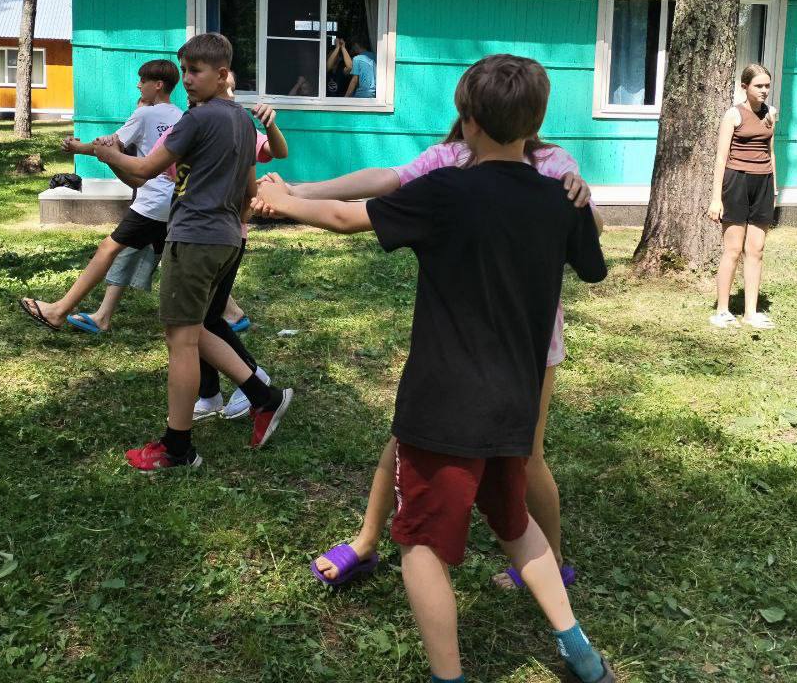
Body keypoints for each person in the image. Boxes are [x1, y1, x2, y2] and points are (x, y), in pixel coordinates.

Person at [256, 54, 613, 683]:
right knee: (515, 524)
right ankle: (581, 653)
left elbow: (347, 218)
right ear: (536, 122)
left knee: (421, 544)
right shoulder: (559, 195)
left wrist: (282, 200)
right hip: (516, 399)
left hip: (443, 402)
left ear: (468, 120)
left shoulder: (447, 188)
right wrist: (580, 204)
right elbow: (593, 266)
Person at [92, 33, 295, 470]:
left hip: (194, 238)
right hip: (226, 238)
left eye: (195, 71)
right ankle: (263, 396)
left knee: (180, 339)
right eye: (183, 70)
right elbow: (249, 188)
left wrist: (103, 152)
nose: (186, 79)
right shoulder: (241, 120)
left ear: (221, 75)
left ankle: (177, 447)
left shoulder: (197, 119)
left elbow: (145, 169)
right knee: (198, 326)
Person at [19, 59, 182, 332]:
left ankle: (58, 312)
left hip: (152, 201)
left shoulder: (145, 115)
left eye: (143, 81)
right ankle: (103, 316)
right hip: (175, 199)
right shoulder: (180, 115)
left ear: (158, 85)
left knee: (109, 248)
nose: (138, 85)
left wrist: (76, 147)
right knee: (168, 257)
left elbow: (109, 145)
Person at [194, 89, 289, 421]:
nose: (231, 96)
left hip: (223, 236)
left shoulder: (239, 127)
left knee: (203, 320)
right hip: (196, 235)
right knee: (201, 319)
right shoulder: (190, 125)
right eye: (227, 90)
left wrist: (270, 125)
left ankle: (253, 377)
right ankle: (209, 394)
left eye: (233, 89)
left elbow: (278, 151)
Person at [708, 64, 778, 329]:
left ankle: (751, 312)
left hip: (763, 183)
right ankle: (722, 310)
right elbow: (721, 158)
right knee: (733, 249)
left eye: (767, 85)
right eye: (758, 86)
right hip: (736, 181)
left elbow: (770, 153)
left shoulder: (771, 113)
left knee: (756, 250)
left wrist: (774, 189)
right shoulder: (733, 114)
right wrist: (716, 198)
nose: (764, 90)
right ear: (745, 87)